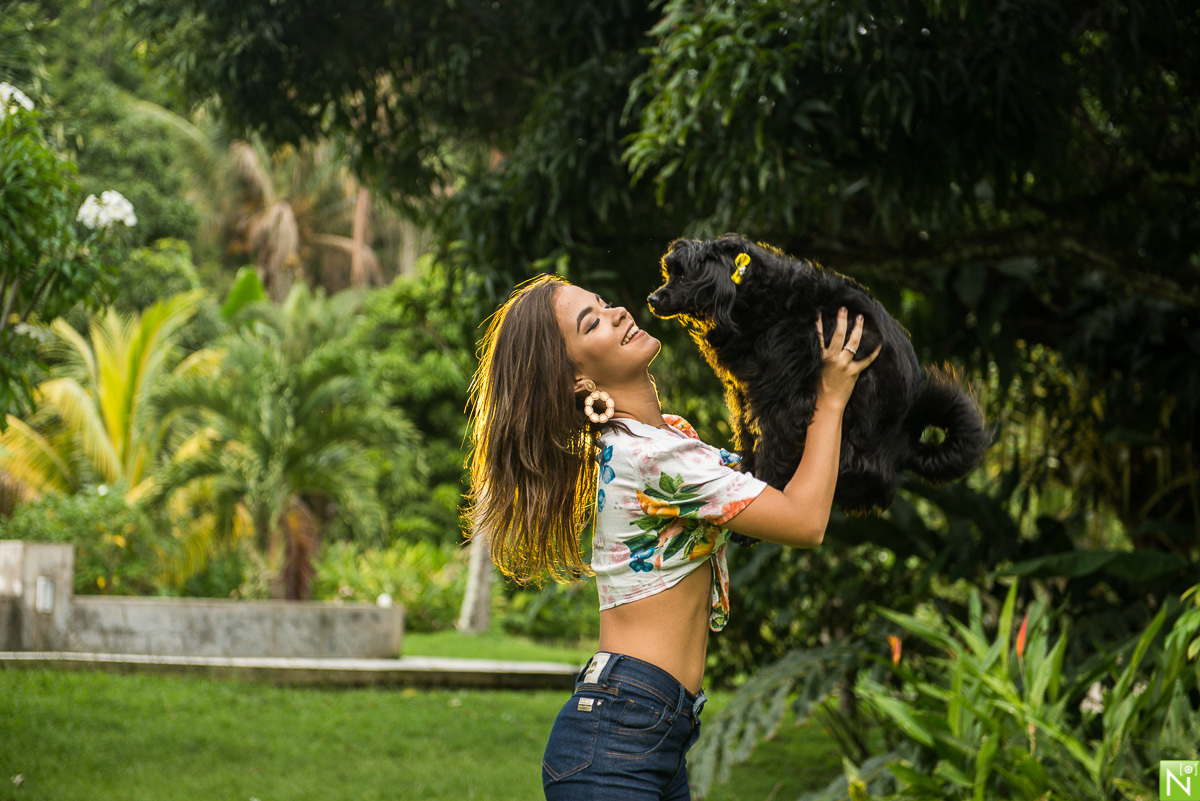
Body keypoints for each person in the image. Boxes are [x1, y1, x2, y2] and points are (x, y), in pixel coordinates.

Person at [465, 274, 880, 800]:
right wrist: (831, 397)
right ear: (576, 379)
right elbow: (803, 520)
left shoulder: (666, 441)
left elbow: (774, 484)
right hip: (619, 742)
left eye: (604, 303)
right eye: (592, 323)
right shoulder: (649, 457)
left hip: (646, 732)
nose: (617, 312)